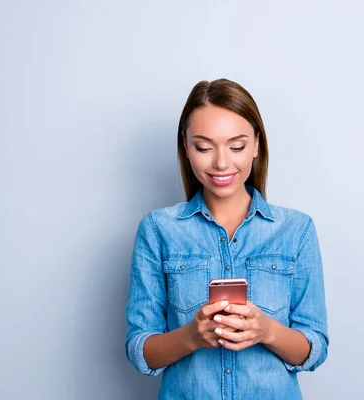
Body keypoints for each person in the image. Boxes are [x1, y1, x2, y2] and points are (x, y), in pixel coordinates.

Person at [125, 78, 329, 399]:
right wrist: (192, 336)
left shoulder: (296, 230)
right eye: (204, 147)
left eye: (236, 146)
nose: (221, 162)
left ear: (257, 145)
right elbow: (141, 350)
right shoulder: (157, 229)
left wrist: (267, 331)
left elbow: (314, 349)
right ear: (186, 147)